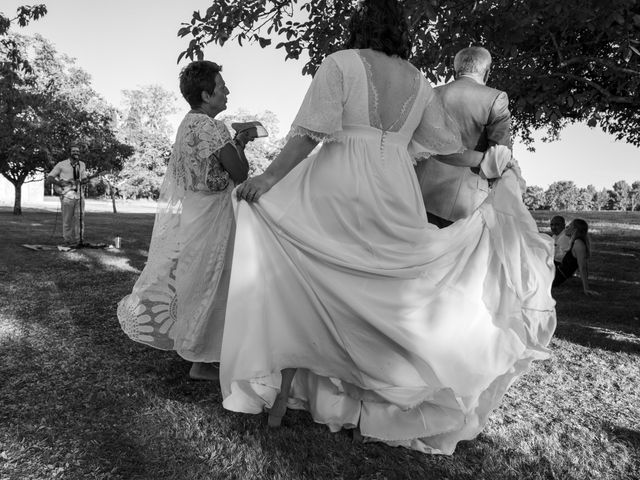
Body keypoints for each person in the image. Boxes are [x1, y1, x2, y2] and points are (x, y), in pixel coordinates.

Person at [222, 0, 556, 455]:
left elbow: (307, 135)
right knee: (384, 286)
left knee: (318, 276)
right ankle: (372, 402)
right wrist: (492, 162)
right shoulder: (420, 82)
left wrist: (267, 179)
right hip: (396, 187)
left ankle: (304, 387)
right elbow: (439, 147)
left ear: (359, 25)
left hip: (339, 182)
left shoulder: (340, 63)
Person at [117, 60, 252, 381]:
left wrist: (236, 145)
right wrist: (241, 142)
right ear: (206, 94)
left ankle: (203, 354)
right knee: (214, 280)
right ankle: (199, 357)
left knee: (198, 279)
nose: (227, 91)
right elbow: (240, 172)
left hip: (194, 213)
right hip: (213, 215)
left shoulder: (186, 124)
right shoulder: (212, 127)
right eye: (221, 87)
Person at [415, 46, 512, 228]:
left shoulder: (429, 94)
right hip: (463, 204)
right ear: (487, 72)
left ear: (455, 70)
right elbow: (501, 154)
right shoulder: (495, 98)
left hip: (417, 195)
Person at [46, 143, 88, 246]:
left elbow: (84, 178)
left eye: (77, 151)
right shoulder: (61, 164)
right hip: (67, 196)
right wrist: (59, 183)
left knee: (80, 219)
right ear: (69, 153)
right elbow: (50, 177)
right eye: (74, 151)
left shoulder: (82, 164)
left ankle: (79, 241)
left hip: (79, 195)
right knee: (67, 220)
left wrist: (86, 180)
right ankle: (67, 241)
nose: (76, 153)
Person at [553, 219, 599, 296]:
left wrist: (586, 289)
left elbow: (583, 267)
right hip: (554, 270)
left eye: (568, 226)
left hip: (554, 277)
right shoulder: (575, 242)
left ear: (574, 230)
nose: (565, 228)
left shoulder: (579, 244)